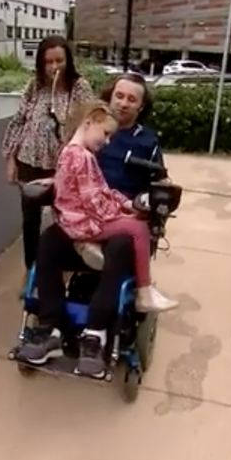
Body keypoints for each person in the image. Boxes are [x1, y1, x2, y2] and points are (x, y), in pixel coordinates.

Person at [16, 75, 172, 377]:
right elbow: (75, 170)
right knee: (49, 240)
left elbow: (158, 183)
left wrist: (143, 201)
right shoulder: (91, 132)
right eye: (120, 95)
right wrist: (54, 181)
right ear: (110, 97)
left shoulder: (147, 141)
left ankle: (95, 334)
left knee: (121, 244)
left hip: (119, 215)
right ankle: (52, 329)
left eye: (132, 99)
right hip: (90, 215)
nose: (124, 102)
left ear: (141, 107)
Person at [53, 101, 178, 315]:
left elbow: (103, 190)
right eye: (106, 133)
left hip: (76, 220)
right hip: (80, 222)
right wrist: (121, 215)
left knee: (131, 222)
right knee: (138, 229)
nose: (108, 141)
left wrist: (127, 204)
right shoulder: (80, 157)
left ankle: (89, 244)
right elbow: (93, 202)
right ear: (89, 122)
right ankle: (144, 293)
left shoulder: (76, 153)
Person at [1, 36, 93, 280]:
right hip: (29, 161)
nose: (54, 67)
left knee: (65, 217)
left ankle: (60, 268)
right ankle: (31, 271)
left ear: (68, 61)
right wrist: (10, 158)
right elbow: (19, 120)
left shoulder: (78, 87)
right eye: (48, 62)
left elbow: (88, 126)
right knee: (30, 221)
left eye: (59, 61)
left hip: (62, 167)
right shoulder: (35, 86)